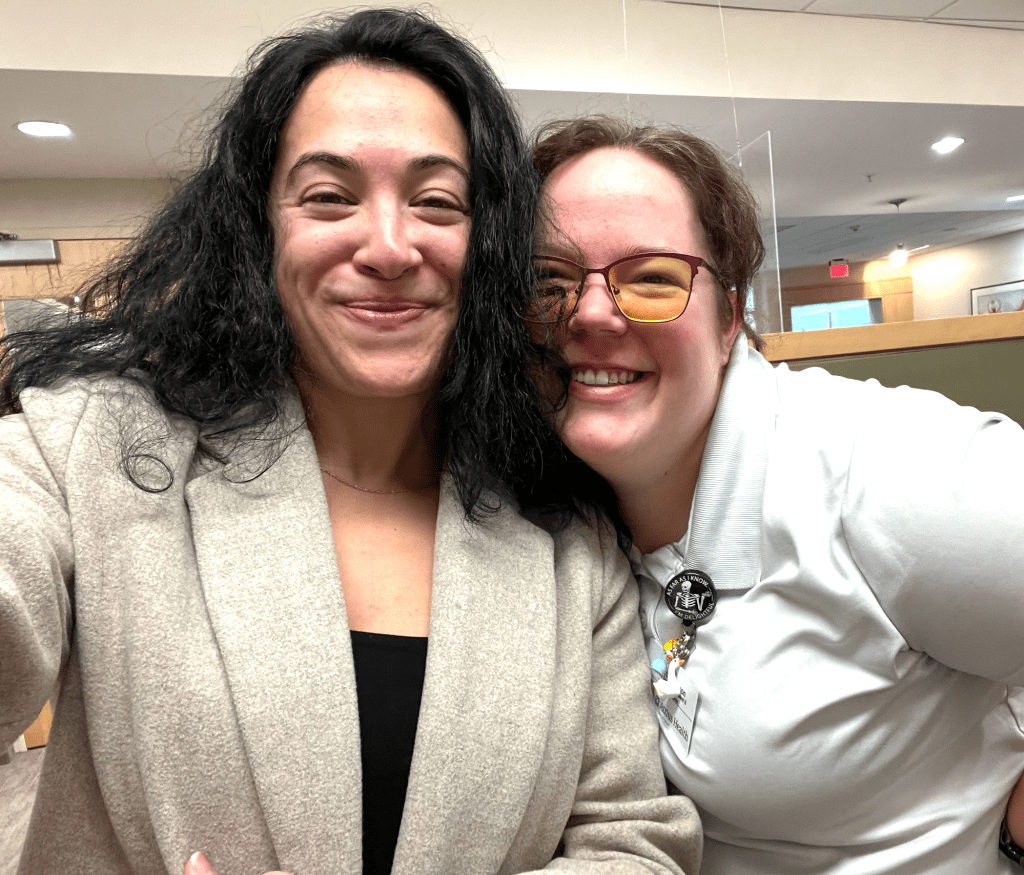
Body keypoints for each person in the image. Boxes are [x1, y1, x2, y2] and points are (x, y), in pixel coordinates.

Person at [0, 17, 703, 875]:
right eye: (329, 196)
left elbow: (634, 844)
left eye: (436, 201)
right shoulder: (97, 447)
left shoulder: (564, 532)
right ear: (258, 227)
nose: (390, 248)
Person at [527, 114, 1024, 874]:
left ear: (729, 318)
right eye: (550, 282)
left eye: (653, 277)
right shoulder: (547, 513)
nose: (591, 312)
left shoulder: (879, 465)